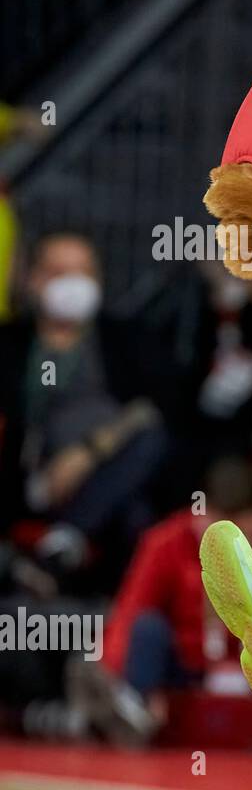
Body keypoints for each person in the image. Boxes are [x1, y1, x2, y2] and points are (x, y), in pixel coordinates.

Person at [77, 457, 252, 743]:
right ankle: (136, 710)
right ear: (199, 516)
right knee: (147, 630)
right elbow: (129, 618)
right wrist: (118, 675)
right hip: (184, 675)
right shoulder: (164, 543)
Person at [0, 232, 169, 591]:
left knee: (145, 466)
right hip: (31, 481)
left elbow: (156, 408)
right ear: (33, 280)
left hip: (106, 473)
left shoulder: (124, 340)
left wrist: (86, 454)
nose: (73, 284)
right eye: (59, 272)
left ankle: (67, 545)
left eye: (83, 273)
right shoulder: (11, 344)